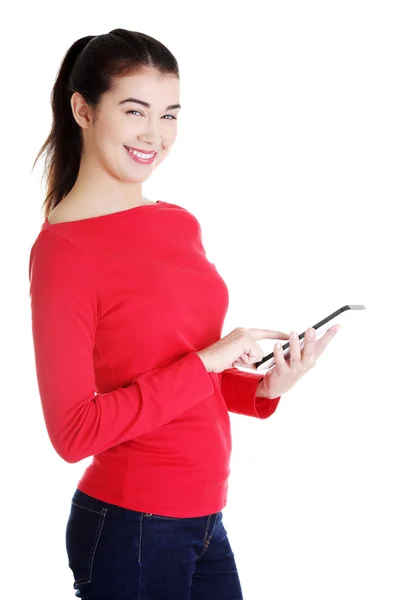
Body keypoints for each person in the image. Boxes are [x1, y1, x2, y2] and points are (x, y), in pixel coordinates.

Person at [28, 28, 340, 600]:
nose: (156, 134)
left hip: (205, 517)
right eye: (134, 110)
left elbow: (189, 373)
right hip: (131, 527)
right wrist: (207, 360)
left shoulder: (177, 222)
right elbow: (73, 433)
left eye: (170, 114)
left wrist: (266, 386)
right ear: (83, 109)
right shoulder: (63, 253)